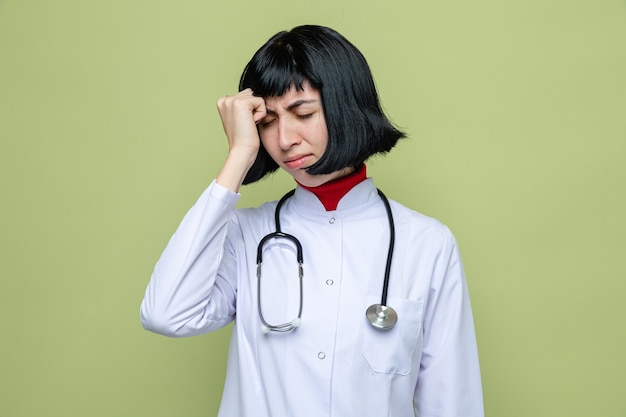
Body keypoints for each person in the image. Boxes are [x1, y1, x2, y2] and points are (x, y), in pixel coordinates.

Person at [140, 25, 484, 417]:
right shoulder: (243, 235)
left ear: (344, 105)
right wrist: (238, 155)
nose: (284, 139)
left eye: (303, 113)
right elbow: (165, 313)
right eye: (267, 122)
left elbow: (452, 403)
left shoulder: (427, 244)